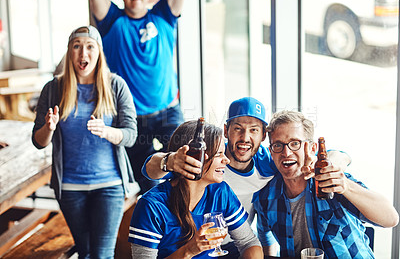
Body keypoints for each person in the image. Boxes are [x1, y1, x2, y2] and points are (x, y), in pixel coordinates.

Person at [142, 97, 350, 257]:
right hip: (181, 244)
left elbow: (332, 153)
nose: (245, 138)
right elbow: (149, 169)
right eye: (238, 129)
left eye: (254, 130)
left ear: (263, 136)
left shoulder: (271, 162)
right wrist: (168, 161)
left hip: (233, 244)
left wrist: (333, 162)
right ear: (226, 131)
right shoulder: (208, 158)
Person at [32, 26, 138, 258]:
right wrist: (49, 128)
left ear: (99, 52)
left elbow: (131, 135)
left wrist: (108, 131)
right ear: (69, 52)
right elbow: (38, 142)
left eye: (90, 47)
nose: (83, 54)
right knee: (86, 252)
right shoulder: (53, 89)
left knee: (102, 255)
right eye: (77, 46)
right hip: (70, 188)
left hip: (109, 185)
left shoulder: (116, 85)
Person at [253, 110, 399, 258]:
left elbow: (391, 219)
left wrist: (346, 186)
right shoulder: (265, 198)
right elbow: (265, 239)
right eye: (278, 145)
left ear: (312, 148)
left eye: (295, 143)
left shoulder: (332, 180)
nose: (286, 152)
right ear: (271, 152)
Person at [89, 0, 186, 195]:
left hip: (168, 113)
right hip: (132, 119)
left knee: (186, 169)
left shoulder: (164, 16)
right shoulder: (112, 21)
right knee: (147, 183)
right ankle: (157, 224)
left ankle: (183, 222)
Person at [128, 120, 263, 258]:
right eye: (219, 154)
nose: (226, 160)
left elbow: (248, 242)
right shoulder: (151, 206)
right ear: (193, 157)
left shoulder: (220, 192)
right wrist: (190, 250)